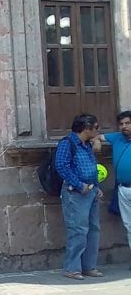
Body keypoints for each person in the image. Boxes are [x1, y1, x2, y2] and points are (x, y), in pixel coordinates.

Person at [54, 113, 103, 280]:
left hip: (90, 190)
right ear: (86, 128)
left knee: (93, 229)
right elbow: (61, 166)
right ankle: (72, 267)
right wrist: (79, 185)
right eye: (96, 127)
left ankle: (89, 266)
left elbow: (92, 165)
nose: (98, 131)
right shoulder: (68, 143)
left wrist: (96, 186)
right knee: (78, 229)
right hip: (75, 192)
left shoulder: (86, 144)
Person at [100, 111, 131, 266]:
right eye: (121, 124)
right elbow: (96, 136)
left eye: (127, 123)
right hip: (123, 188)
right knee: (129, 225)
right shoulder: (117, 137)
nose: (124, 127)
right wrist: (97, 142)